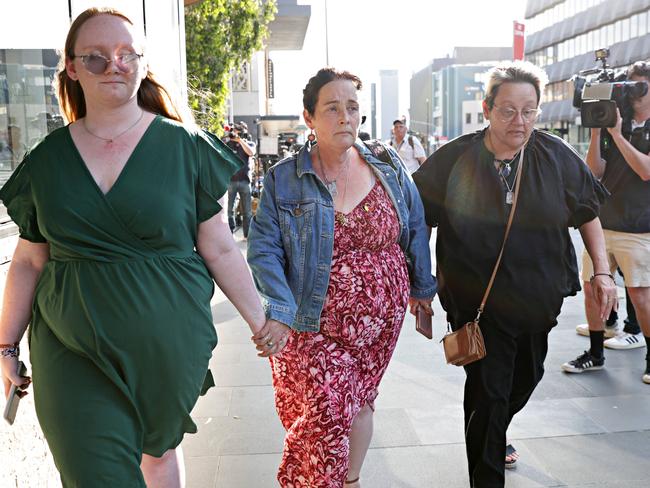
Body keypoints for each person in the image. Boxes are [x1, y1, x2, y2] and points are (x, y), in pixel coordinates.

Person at [0, 8, 266, 487]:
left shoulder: (187, 147)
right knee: (92, 471)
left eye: (126, 55)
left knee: (158, 452)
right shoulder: (46, 160)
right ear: (72, 68)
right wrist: (5, 344)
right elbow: (27, 261)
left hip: (166, 341)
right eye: (97, 58)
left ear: (142, 64)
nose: (114, 66)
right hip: (69, 344)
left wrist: (260, 321)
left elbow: (221, 249)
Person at [413, 61, 616, 488]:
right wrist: (421, 286)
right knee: (488, 395)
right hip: (477, 305)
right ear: (487, 109)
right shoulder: (454, 158)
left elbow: (587, 214)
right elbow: (418, 221)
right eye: (507, 110)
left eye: (529, 111)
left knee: (527, 376)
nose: (519, 121)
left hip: (537, 300)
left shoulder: (555, 155)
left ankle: (496, 429)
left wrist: (602, 273)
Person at [247, 67, 436, 487]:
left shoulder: (386, 164)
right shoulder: (285, 178)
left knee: (360, 403)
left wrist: (422, 289)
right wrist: (277, 311)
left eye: (352, 108)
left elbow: (416, 225)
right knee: (326, 408)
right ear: (309, 118)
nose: (345, 117)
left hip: (380, 323)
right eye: (332, 108)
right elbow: (264, 249)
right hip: (312, 319)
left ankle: (349, 480)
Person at [562, 61, 650, 383]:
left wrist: (617, 134)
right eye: (629, 86)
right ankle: (596, 354)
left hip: (640, 227)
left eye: (640, 86)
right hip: (603, 222)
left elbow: (645, 171)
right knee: (592, 289)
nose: (633, 93)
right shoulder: (616, 123)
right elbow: (594, 171)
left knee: (640, 296)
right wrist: (599, 132)